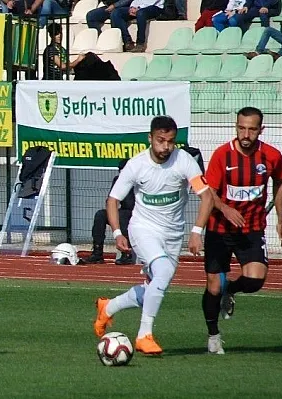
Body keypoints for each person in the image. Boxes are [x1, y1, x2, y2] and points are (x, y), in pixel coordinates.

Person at [93, 116, 213, 355]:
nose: (165, 146)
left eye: (170, 141)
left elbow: (207, 196)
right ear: (150, 138)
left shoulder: (185, 161)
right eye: (160, 140)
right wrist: (117, 233)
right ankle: (144, 335)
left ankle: (108, 307)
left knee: (153, 287)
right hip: (143, 229)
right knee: (164, 271)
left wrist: (196, 232)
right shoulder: (137, 165)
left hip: (173, 235)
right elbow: (113, 200)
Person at [201, 107, 282, 355]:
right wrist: (225, 209)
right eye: (241, 128)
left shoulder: (271, 155)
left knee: (255, 281)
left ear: (261, 130)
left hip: (252, 229)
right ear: (236, 127)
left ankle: (232, 289)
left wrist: (281, 219)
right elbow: (210, 193)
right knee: (213, 287)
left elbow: (280, 181)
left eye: (251, 129)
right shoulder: (222, 155)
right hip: (219, 228)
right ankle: (213, 335)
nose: (246, 133)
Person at [81, 158, 135, 265]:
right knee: (101, 215)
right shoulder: (117, 180)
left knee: (122, 216)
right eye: (120, 170)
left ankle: (126, 253)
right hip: (123, 210)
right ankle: (97, 252)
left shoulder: (139, 181)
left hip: (137, 212)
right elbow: (112, 200)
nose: (121, 172)